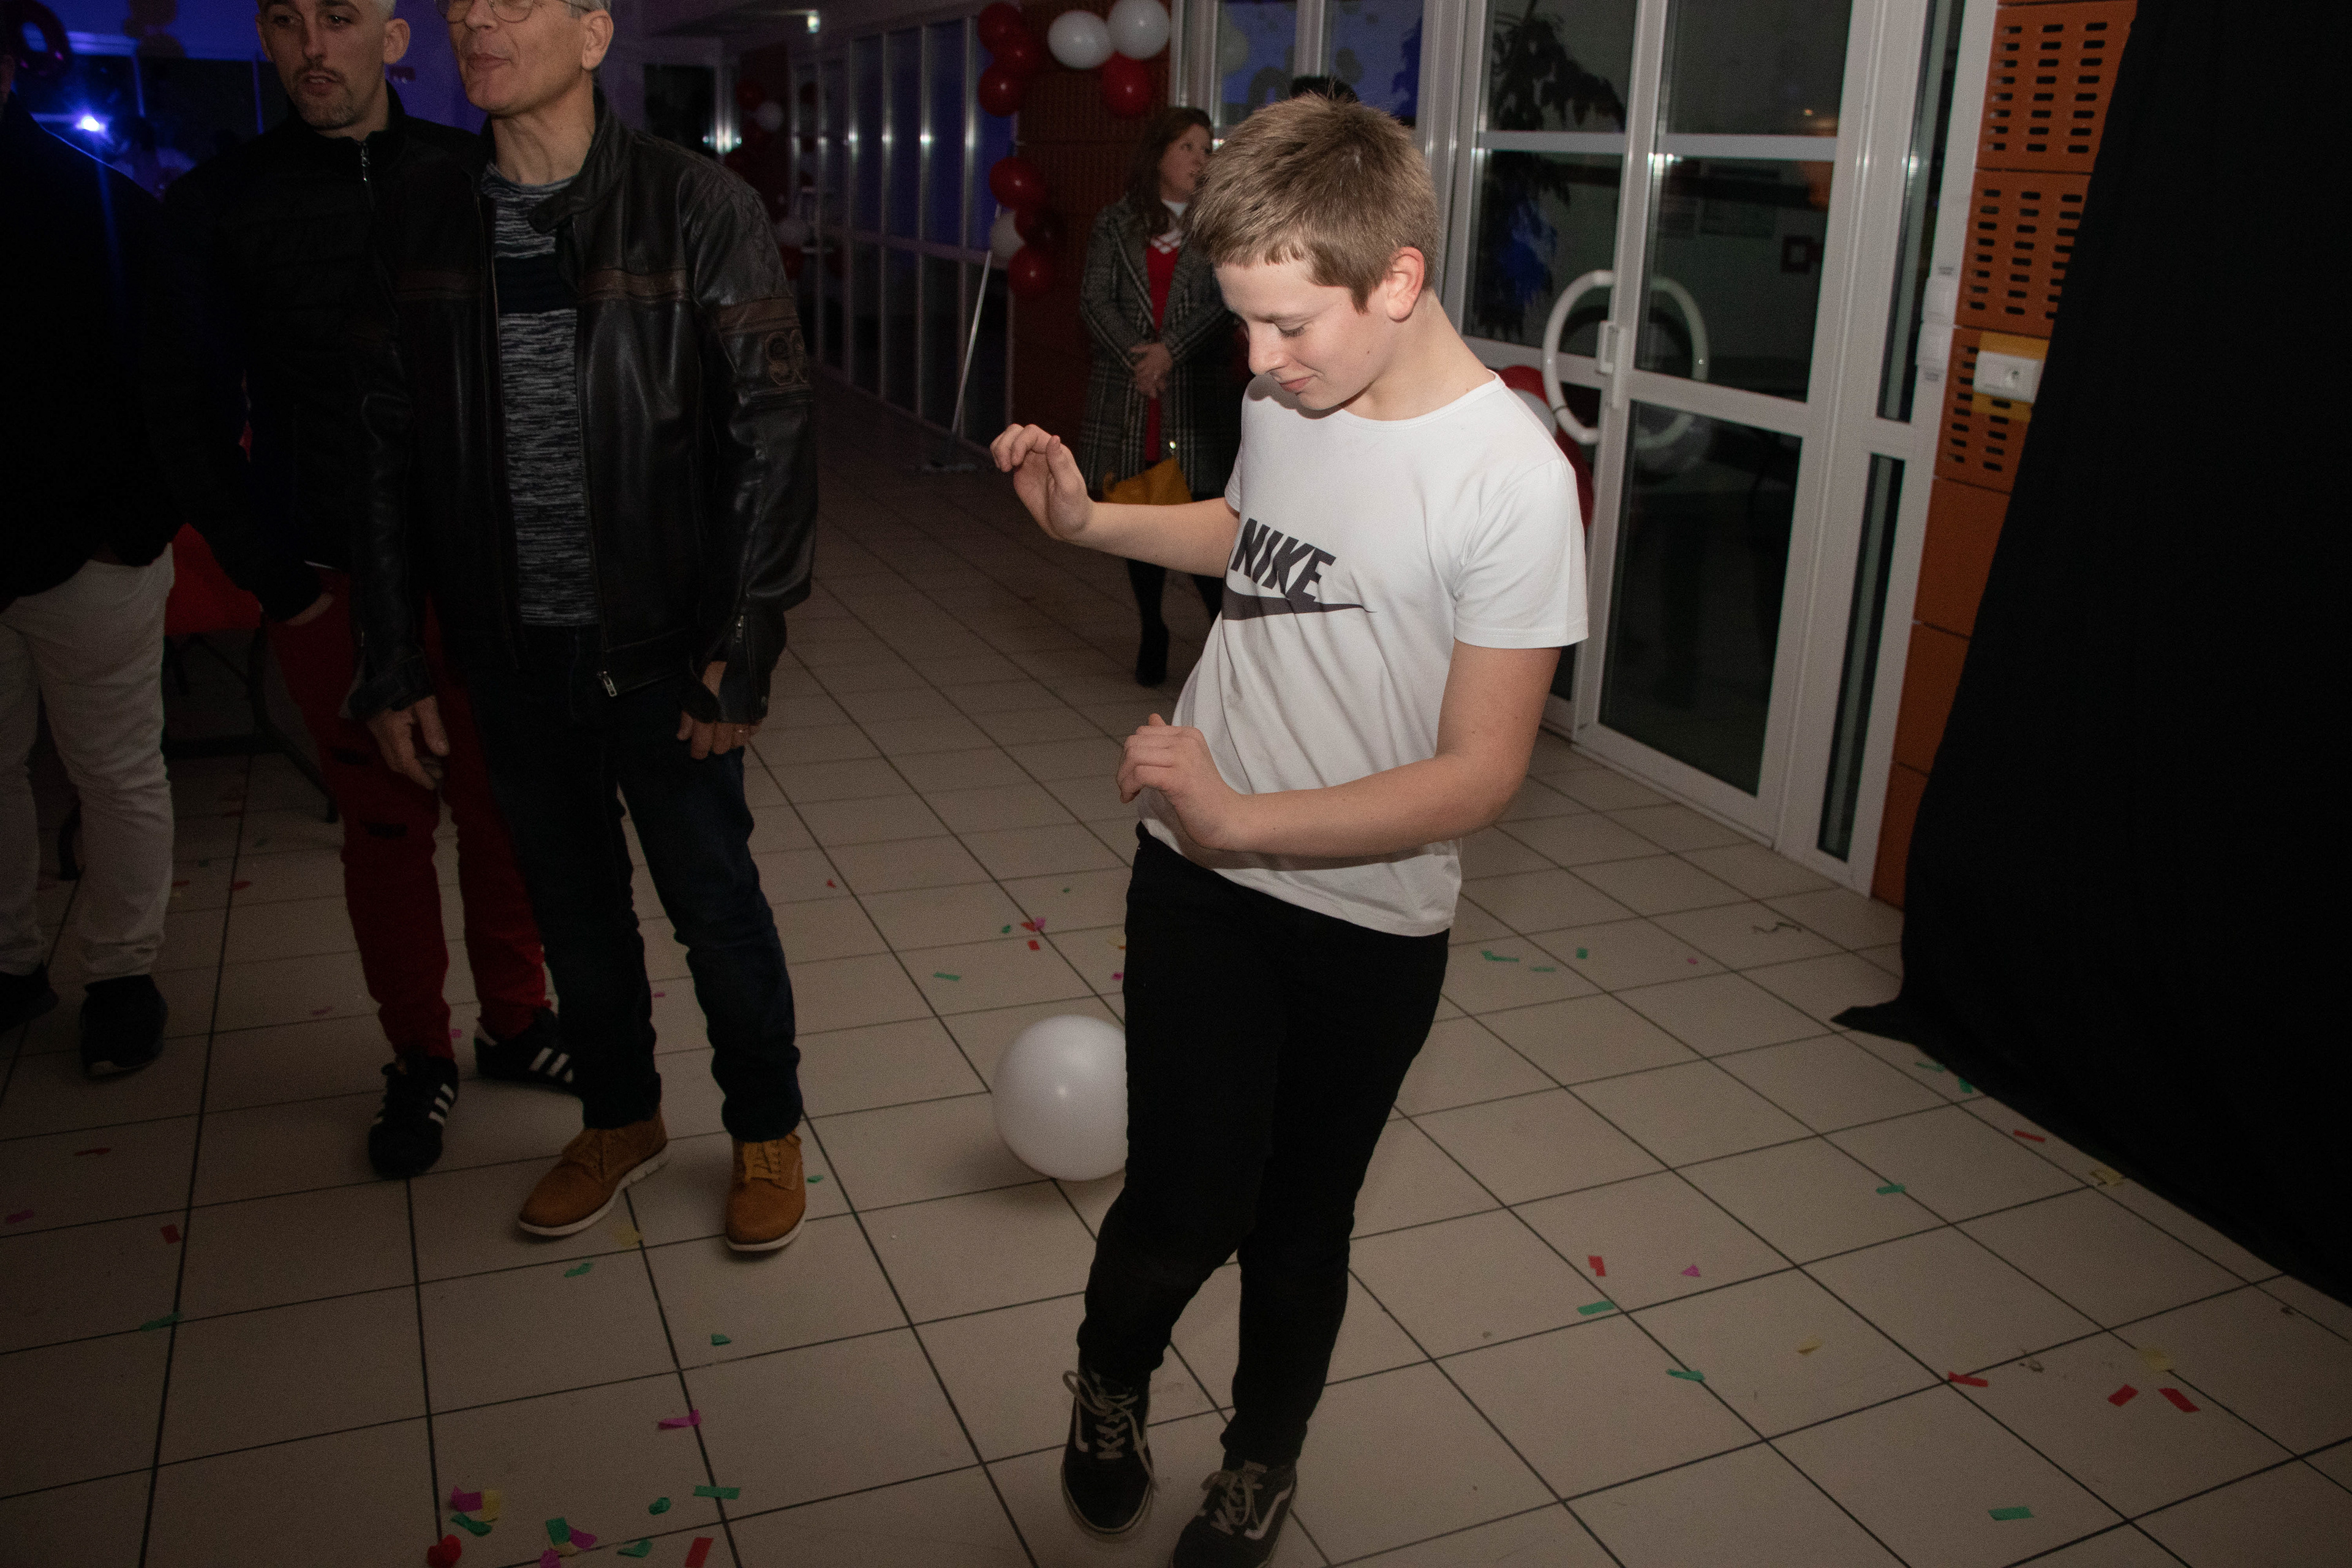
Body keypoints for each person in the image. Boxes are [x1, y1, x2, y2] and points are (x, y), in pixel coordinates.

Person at [992, 96, 1585, 1563]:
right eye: (1243, 321)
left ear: (1396, 278)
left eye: (1284, 324)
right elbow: (1252, 531)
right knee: (1182, 1199)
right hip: (1202, 882)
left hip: (1371, 919)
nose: (1255, 360)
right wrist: (1089, 523)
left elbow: (1480, 774)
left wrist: (1241, 810)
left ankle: (1258, 1460)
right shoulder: (1289, 395)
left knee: (1302, 1221)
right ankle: (1108, 1381)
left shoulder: (1511, 481)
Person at [350, 0, 818, 1251]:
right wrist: (391, 652)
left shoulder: (696, 206)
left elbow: (771, 438)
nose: (477, 18)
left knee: (714, 905)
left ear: (595, 33)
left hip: (664, 647)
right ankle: (620, 1115)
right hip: (509, 651)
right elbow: (384, 454)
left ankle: (766, 1126)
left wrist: (745, 641)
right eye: (464, 1)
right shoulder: (422, 215)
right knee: (573, 909)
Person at [143, 0, 560, 1183]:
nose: (313, 46)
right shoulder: (219, 204)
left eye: (340, 17)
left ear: (394, 36)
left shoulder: (478, 174)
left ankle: (515, 1022)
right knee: (386, 831)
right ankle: (419, 1054)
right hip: (327, 578)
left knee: (505, 814)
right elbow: (179, 413)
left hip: (482, 577)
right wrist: (278, 584)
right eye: (286, 21)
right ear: (264, 39)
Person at [0, 34, 181, 1075]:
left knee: (114, 771)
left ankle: (120, 974)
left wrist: (132, 526)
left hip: (88, 546)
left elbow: (179, 379)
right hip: (63, 535)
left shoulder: (96, 201)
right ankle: (12, 961)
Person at [1075, 105, 1240, 688]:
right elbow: (1095, 300)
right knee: (1140, 513)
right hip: (1131, 397)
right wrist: (1139, 360)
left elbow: (1226, 302)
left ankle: (1227, 646)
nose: (1200, 159)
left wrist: (1169, 352)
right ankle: (1152, 628)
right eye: (1187, 148)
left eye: (1206, 148)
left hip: (1193, 395)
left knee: (1202, 516)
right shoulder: (1116, 222)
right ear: (1159, 156)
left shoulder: (1219, 223)